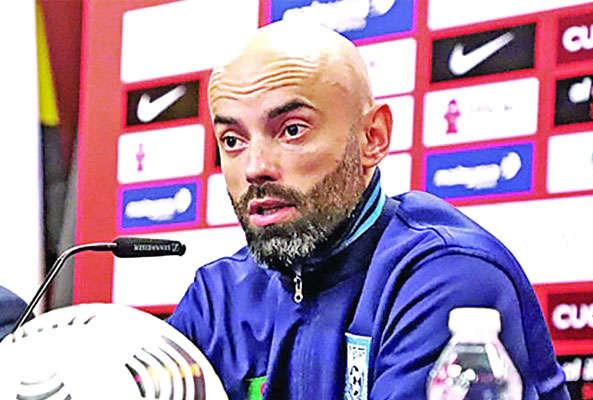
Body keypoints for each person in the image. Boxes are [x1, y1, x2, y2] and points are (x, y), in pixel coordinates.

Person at [168, 21, 569, 400]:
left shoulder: (448, 275)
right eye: (233, 140)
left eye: (292, 130)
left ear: (372, 138)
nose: (255, 167)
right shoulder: (216, 298)